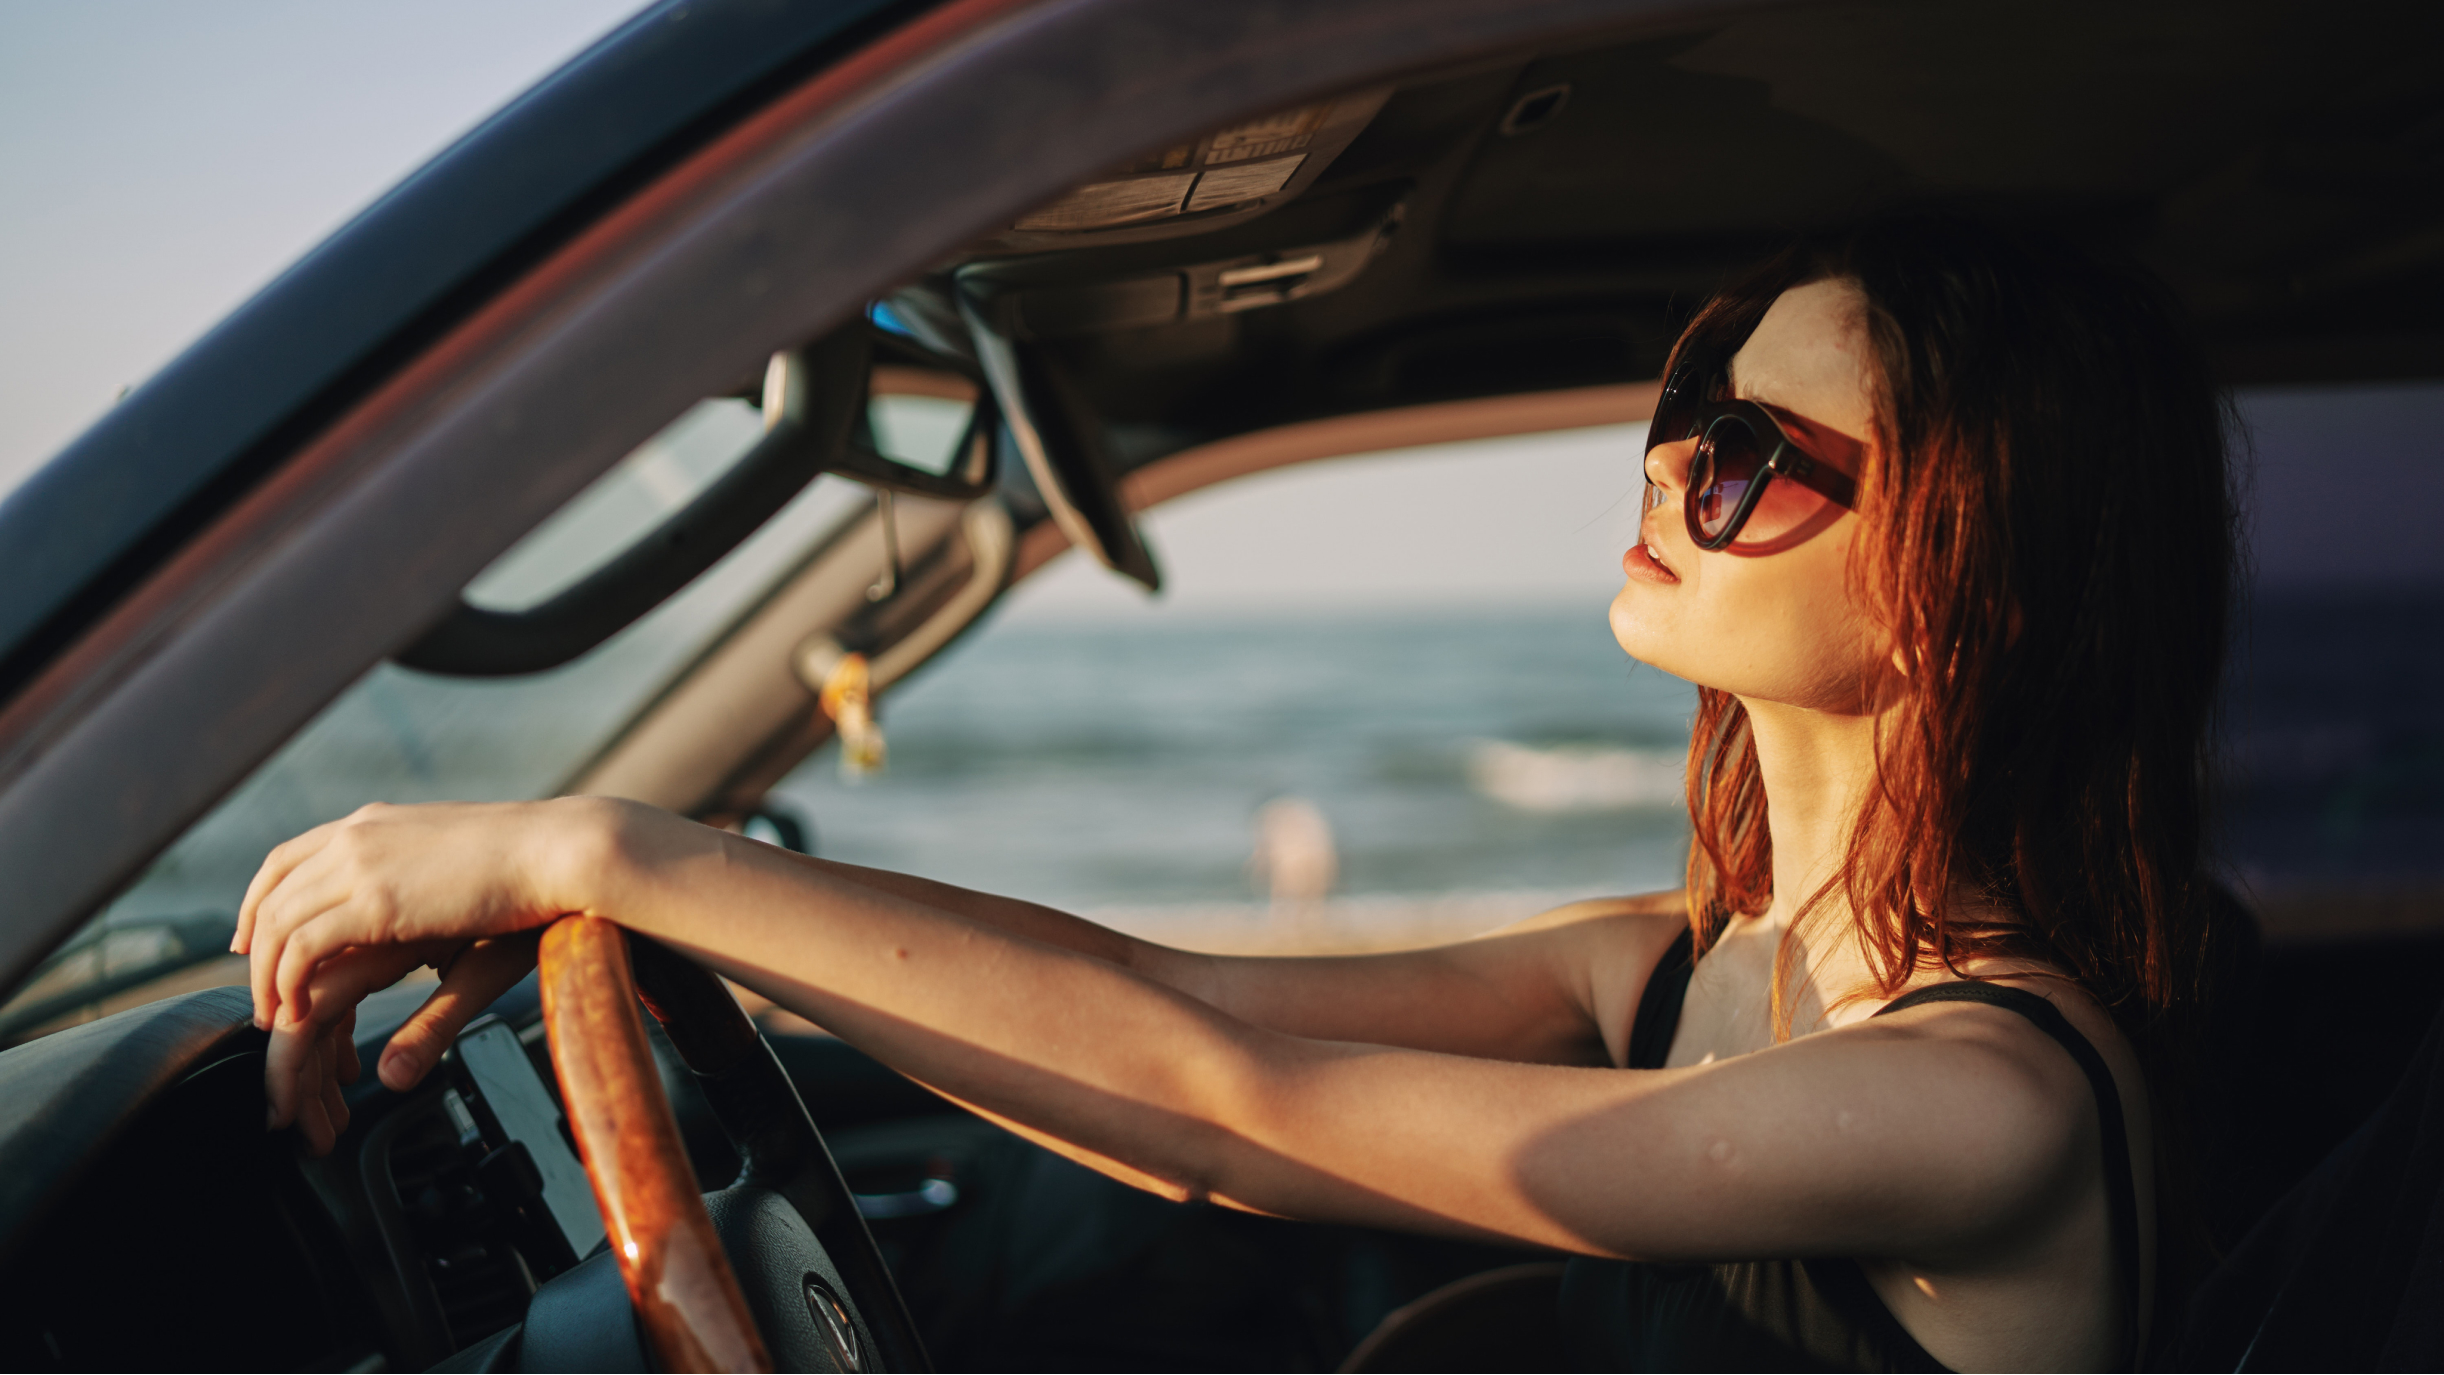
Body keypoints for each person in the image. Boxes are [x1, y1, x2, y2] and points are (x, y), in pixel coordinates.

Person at [235, 215, 2236, 1372]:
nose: (1661, 476)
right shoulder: (1684, 969)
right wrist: (667, 896)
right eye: (1675, 421)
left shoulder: (1976, 1100)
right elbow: (1169, 1006)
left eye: (1748, 454)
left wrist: (596, 846)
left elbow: (1244, 1114)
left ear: (1972, 571)